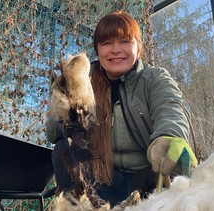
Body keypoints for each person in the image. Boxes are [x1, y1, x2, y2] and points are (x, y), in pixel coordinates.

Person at [46, 10, 198, 207]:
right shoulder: (84, 80)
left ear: (139, 47)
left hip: (148, 179)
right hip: (100, 181)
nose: (115, 49)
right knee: (61, 150)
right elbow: (52, 134)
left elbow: (170, 108)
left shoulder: (154, 78)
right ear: (98, 50)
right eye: (107, 43)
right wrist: (62, 100)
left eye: (125, 41)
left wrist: (169, 135)